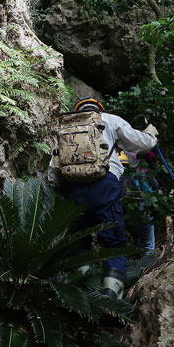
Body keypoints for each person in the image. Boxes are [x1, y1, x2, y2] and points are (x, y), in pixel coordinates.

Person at [59, 98, 158, 299]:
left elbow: (54, 165)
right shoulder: (110, 120)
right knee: (113, 242)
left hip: (71, 187)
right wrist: (151, 135)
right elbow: (139, 143)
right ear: (98, 109)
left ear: (78, 111)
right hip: (103, 184)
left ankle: (81, 293)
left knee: (79, 240)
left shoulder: (65, 126)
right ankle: (111, 299)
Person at [119, 151, 157, 257]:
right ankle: (147, 259)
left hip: (122, 208)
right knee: (146, 231)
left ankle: (142, 257)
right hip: (137, 204)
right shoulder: (134, 174)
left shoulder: (111, 177)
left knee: (136, 233)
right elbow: (148, 188)